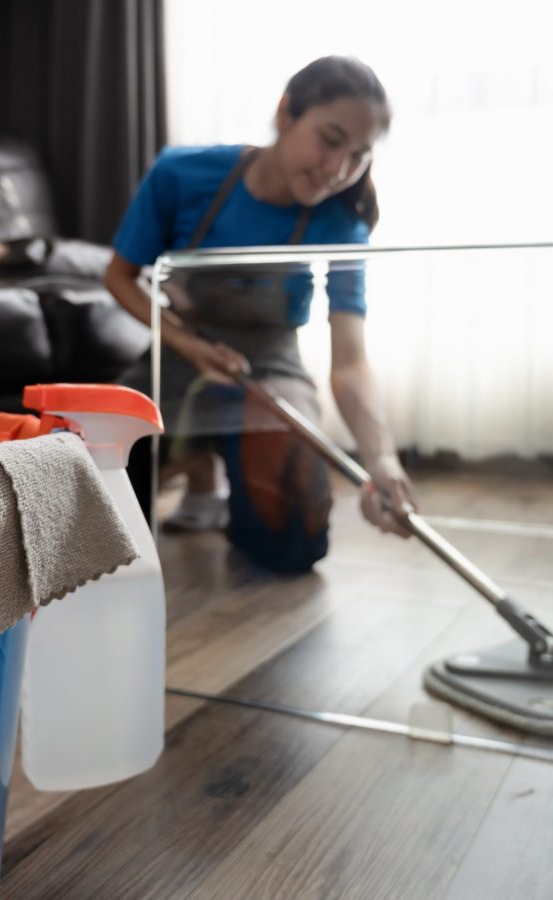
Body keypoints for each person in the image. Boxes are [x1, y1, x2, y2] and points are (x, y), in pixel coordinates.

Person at [104, 55, 416, 574]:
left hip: (271, 367)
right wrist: (191, 345)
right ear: (286, 112)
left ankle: (222, 481)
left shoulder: (342, 220)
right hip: (178, 355)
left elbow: (350, 363)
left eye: (358, 155)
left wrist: (381, 459)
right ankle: (199, 471)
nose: (338, 170)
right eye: (330, 139)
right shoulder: (182, 174)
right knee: (95, 517)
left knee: (293, 547)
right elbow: (118, 278)